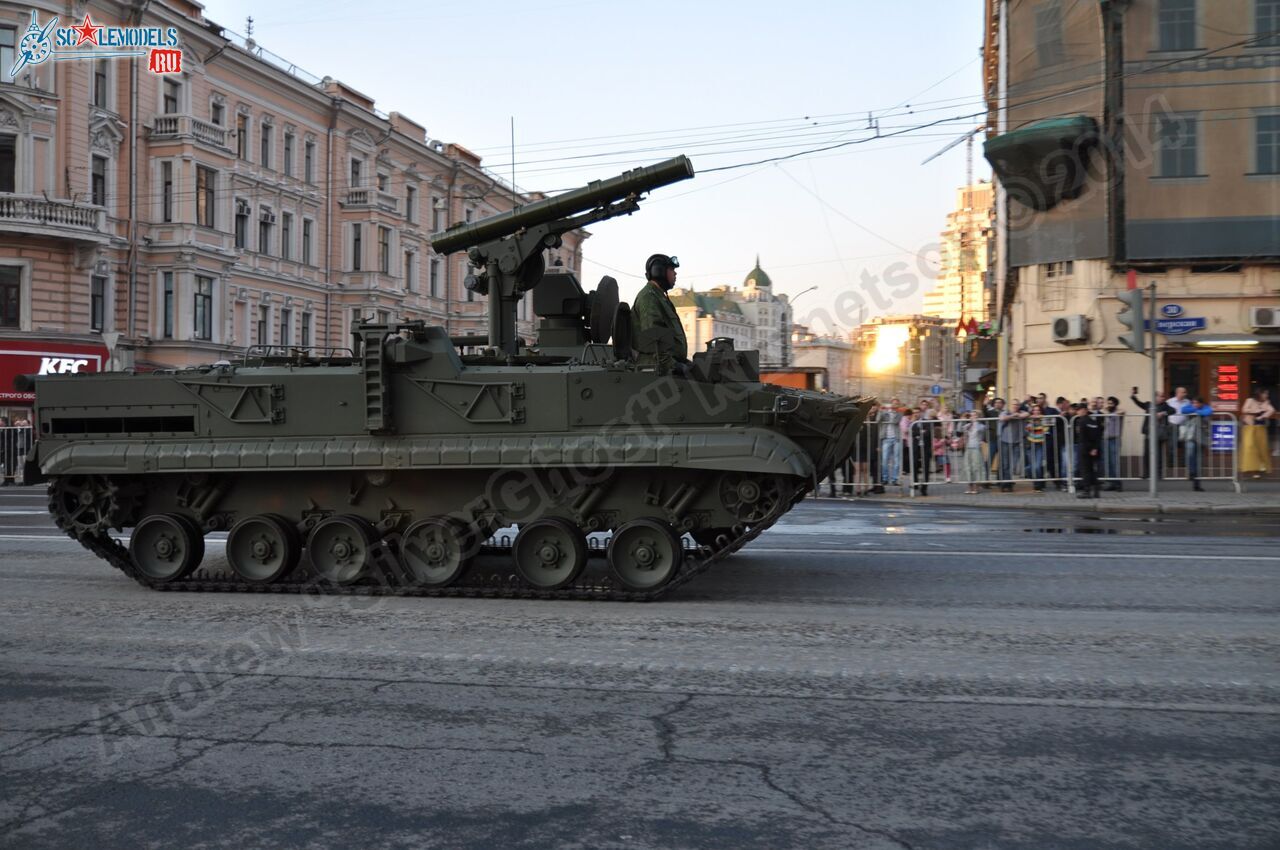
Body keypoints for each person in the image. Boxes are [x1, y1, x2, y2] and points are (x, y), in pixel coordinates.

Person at [631, 253, 689, 374]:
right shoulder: (649, 297)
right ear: (659, 271)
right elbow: (654, 340)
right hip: (655, 369)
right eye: (671, 269)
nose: (675, 273)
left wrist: (684, 363)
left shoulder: (660, 297)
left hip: (664, 367)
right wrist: (673, 366)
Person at [1130, 387, 1174, 480]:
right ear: (1155, 397)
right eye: (1161, 396)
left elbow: (1173, 410)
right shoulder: (1148, 404)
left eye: (1163, 396)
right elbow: (1139, 403)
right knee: (1146, 453)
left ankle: (1158, 474)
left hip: (1159, 433)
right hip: (1148, 432)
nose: (1163, 398)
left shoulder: (1165, 405)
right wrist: (1133, 396)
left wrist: (1163, 413)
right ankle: (1146, 473)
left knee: (1158, 455)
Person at [1180, 396, 1214, 491]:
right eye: (1193, 403)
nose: (1194, 404)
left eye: (1196, 403)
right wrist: (1195, 409)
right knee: (1190, 454)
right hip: (1190, 437)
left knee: (1198, 461)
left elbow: (1208, 411)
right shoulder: (1190, 407)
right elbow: (1183, 410)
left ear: (1201, 403)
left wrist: (1196, 412)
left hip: (1201, 438)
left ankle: (1196, 485)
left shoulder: (1206, 407)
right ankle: (1192, 473)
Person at [1241, 387, 1275, 479]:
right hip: (1249, 427)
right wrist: (1256, 411)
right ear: (1260, 393)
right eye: (1265, 393)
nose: (1267, 396)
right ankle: (1251, 468)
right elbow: (1244, 409)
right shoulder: (1250, 400)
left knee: (1261, 447)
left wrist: (1262, 416)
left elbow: (1271, 410)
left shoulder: (1266, 402)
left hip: (1260, 428)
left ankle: (1259, 468)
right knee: (1250, 446)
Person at [1074, 402, 1103, 498]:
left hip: (1085, 449)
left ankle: (1087, 491)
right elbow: (1098, 436)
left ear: (1084, 410)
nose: (1078, 412)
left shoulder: (1081, 421)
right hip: (1094, 449)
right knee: (1092, 470)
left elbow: (1083, 438)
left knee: (1085, 470)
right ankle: (1096, 490)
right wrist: (1095, 448)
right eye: (1077, 410)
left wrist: (1089, 449)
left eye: (1079, 410)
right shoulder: (1093, 421)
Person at [997, 398, 1027, 491]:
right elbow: (1002, 418)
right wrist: (1013, 416)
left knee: (1013, 464)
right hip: (1005, 441)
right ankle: (1006, 484)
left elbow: (1027, 414)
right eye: (1014, 404)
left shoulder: (1022, 412)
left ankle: (1007, 482)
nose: (1015, 406)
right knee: (1006, 464)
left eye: (1017, 405)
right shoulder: (1006, 412)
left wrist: (1019, 415)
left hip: (1017, 442)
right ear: (1011, 405)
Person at [959, 410, 987, 494]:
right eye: (971, 415)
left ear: (978, 416)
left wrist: (975, 422)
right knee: (968, 467)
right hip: (968, 448)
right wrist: (963, 418)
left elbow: (980, 429)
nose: (972, 417)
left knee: (976, 467)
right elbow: (959, 429)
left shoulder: (981, 426)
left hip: (976, 447)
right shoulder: (967, 425)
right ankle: (969, 487)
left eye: (975, 415)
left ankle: (976, 487)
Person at [878, 399, 903, 489]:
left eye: (897, 404)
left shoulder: (900, 414)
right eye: (894, 403)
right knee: (885, 460)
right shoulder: (885, 412)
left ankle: (894, 479)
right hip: (886, 438)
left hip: (896, 439)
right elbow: (878, 420)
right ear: (891, 404)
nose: (895, 405)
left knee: (896, 461)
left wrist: (891, 413)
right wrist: (883, 411)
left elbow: (895, 422)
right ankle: (885, 478)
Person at [1100, 396, 1123, 490]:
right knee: (1107, 462)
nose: (1109, 405)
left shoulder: (1119, 412)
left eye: (1111, 403)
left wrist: (1110, 412)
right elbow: (1101, 411)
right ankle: (1111, 483)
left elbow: (1122, 411)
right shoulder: (1105, 412)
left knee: (1114, 462)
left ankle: (1118, 483)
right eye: (1108, 403)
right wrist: (1106, 410)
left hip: (1114, 439)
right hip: (1105, 439)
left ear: (1115, 404)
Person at [1025, 404, 1049, 492]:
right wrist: (1032, 422)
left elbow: (1045, 430)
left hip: (1040, 444)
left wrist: (1038, 422)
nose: (1036, 412)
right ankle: (1038, 482)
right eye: (1034, 410)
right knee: (1031, 467)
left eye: (1038, 410)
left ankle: (1038, 485)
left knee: (1037, 466)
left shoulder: (1044, 418)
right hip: (1030, 444)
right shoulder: (1030, 419)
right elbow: (1027, 429)